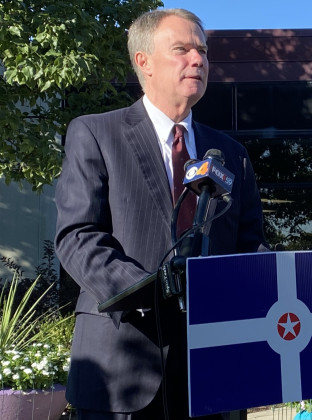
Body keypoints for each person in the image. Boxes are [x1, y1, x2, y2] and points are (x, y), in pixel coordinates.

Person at [55, 8, 267, 420]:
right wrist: (153, 291)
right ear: (143, 62)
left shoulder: (231, 154)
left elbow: (250, 242)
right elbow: (77, 235)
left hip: (216, 370)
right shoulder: (95, 133)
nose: (198, 60)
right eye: (182, 49)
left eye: (203, 51)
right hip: (123, 365)